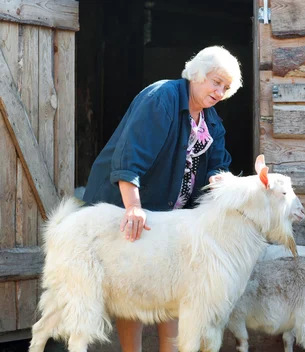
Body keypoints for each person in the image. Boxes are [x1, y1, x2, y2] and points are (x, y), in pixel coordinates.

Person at [82, 46, 242, 352]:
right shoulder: (162, 98)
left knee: (171, 290)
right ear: (197, 74)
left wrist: (220, 181)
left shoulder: (211, 120)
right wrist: (133, 208)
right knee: (136, 289)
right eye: (215, 81)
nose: (219, 91)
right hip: (129, 205)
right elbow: (130, 155)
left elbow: (218, 165)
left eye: (225, 87)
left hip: (172, 217)